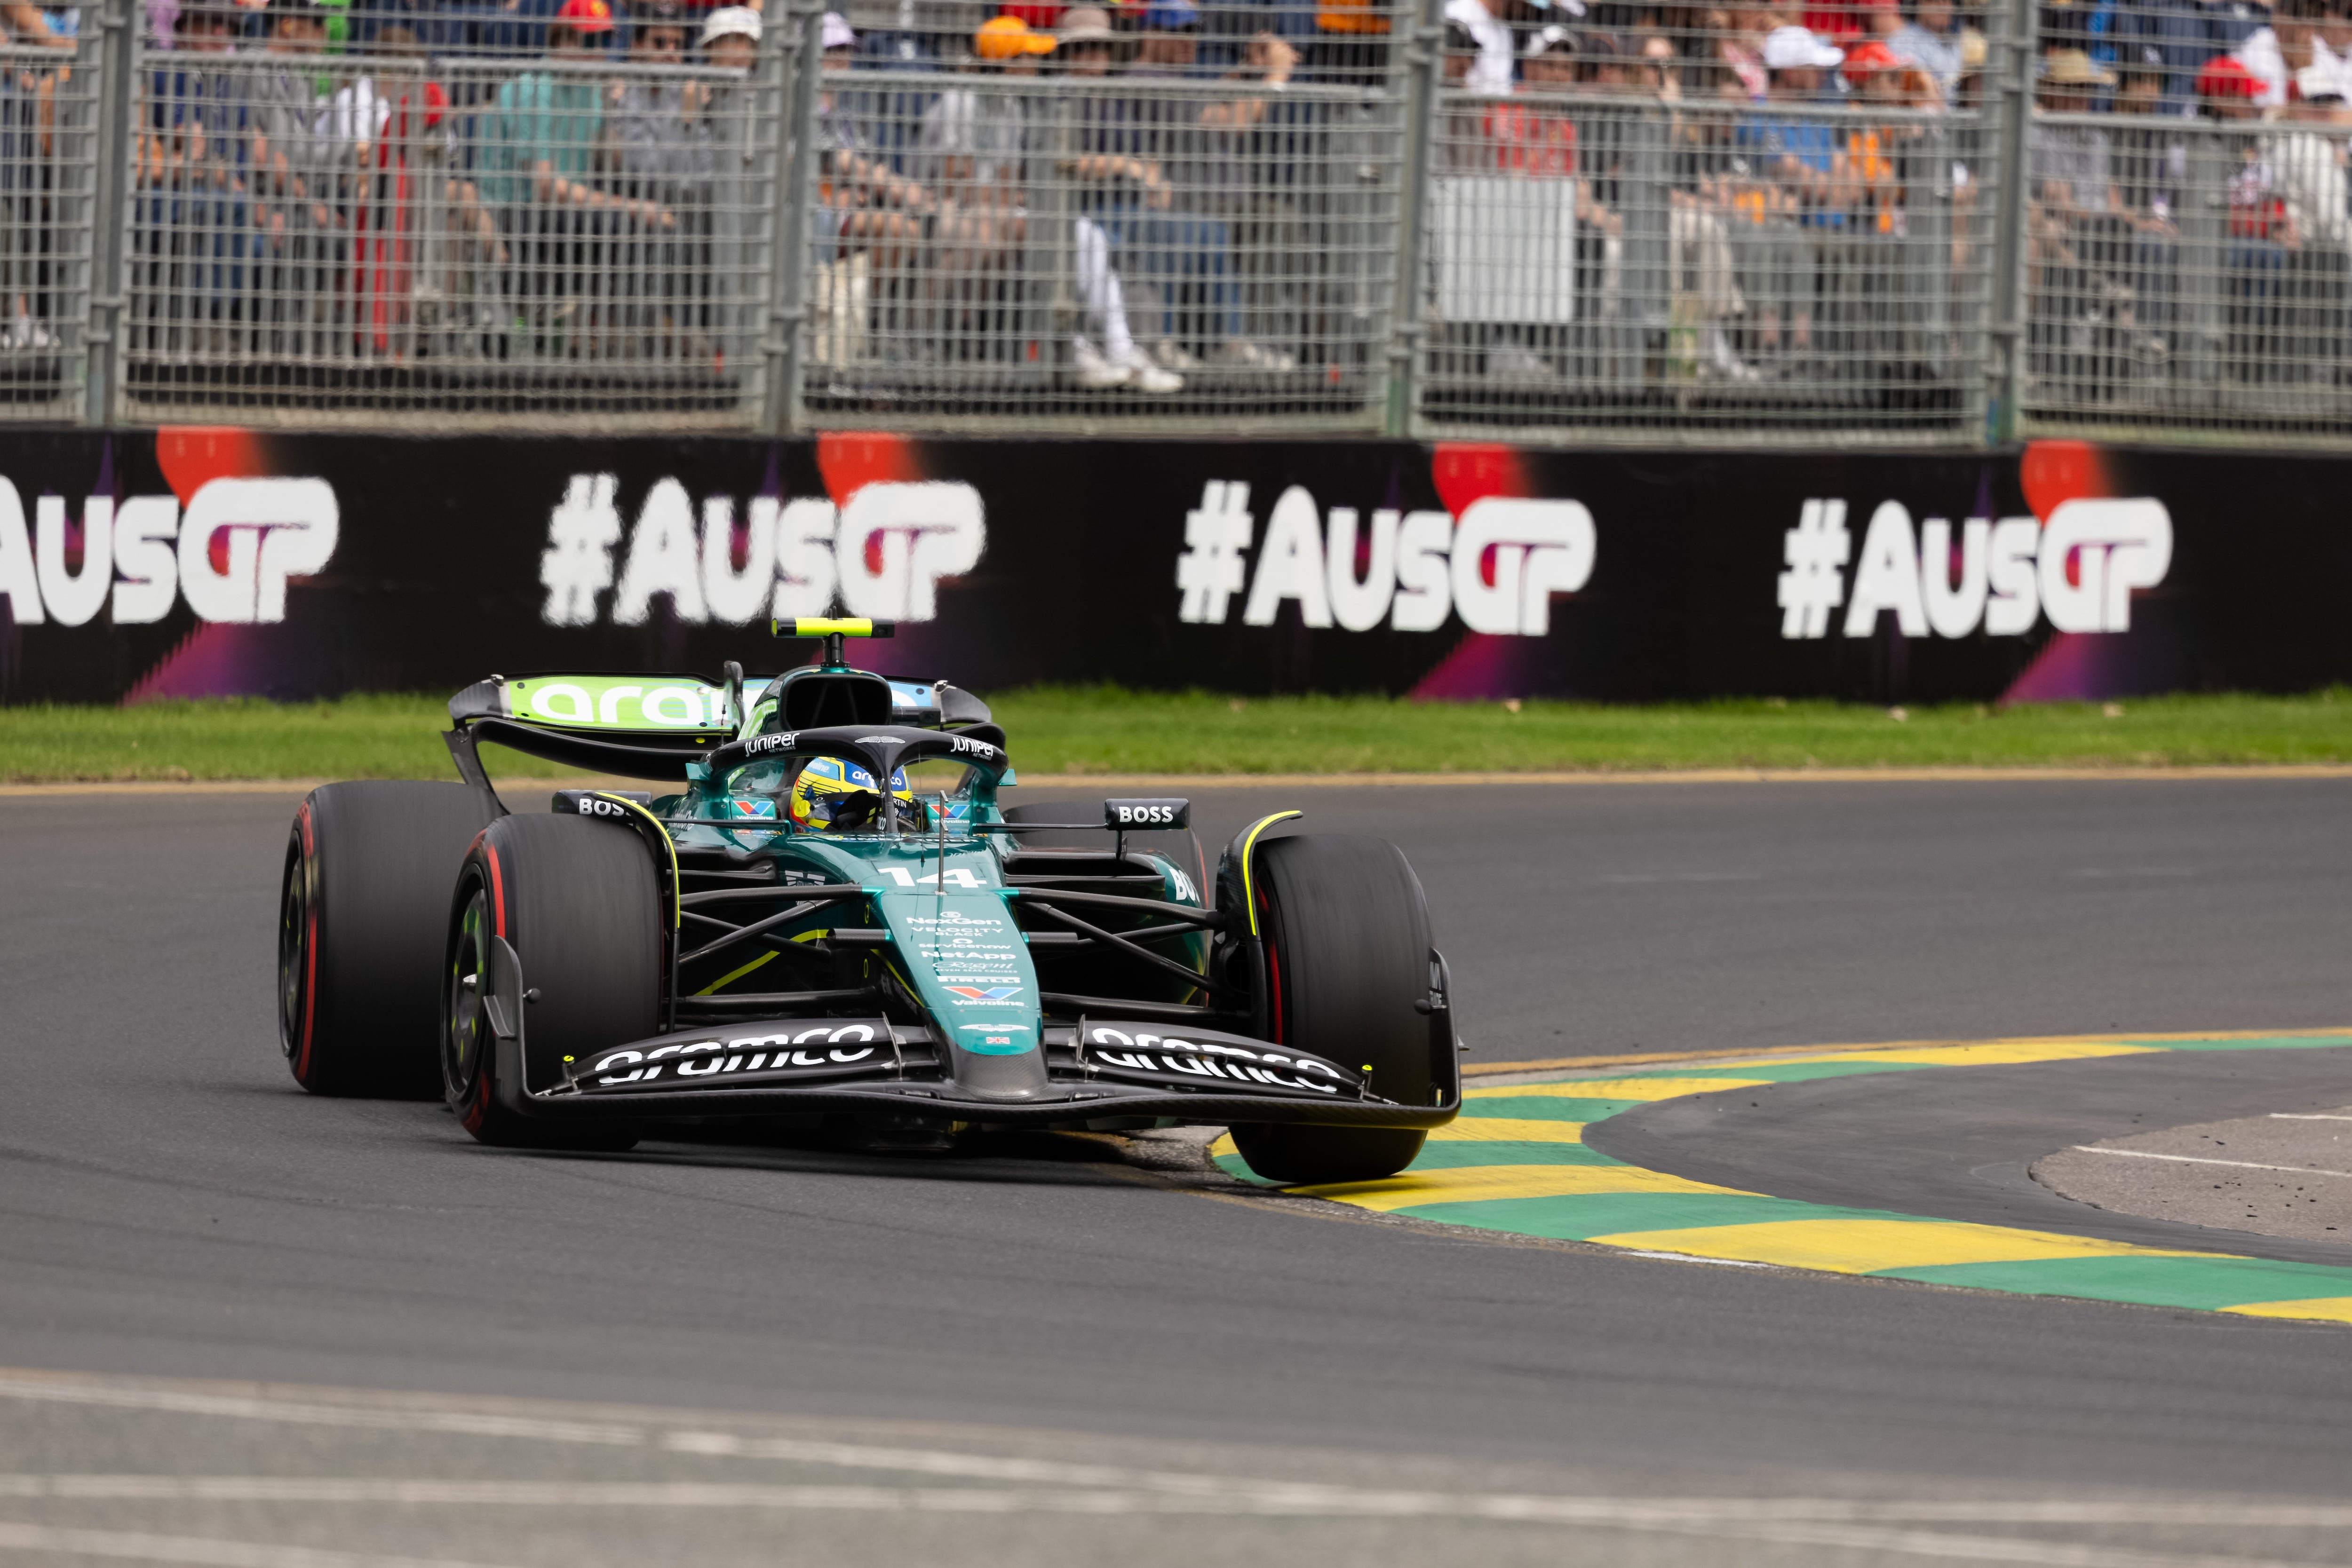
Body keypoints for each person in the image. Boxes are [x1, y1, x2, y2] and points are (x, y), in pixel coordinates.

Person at [917, 12, 1180, 390]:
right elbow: (956, 184)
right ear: (1003, 64)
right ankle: (1074, 348)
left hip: (997, 212)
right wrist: (1014, 194)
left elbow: (1007, 183)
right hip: (944, 212)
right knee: (1053, 234)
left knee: (1087, 234)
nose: (1035, 64)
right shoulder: (961, 102)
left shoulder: (1010, 107)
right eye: (1025, 57)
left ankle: (1119, 350)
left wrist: (1016, 194)